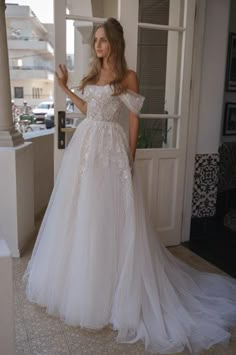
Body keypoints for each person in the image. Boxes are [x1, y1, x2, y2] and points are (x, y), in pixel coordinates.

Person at [23, 17, 236, 355]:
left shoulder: (127, 77)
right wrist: (65, 88)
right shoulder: (93, 75)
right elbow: (87, 109)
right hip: (86, 148)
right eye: (95, 40)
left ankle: (115, 291)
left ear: (116, 43)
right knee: (83, 214)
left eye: (103, 40)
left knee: (112, 216)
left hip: (110, 149)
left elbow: (133, 119)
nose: (98, 46)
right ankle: (84, 286)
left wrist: (130, 159)